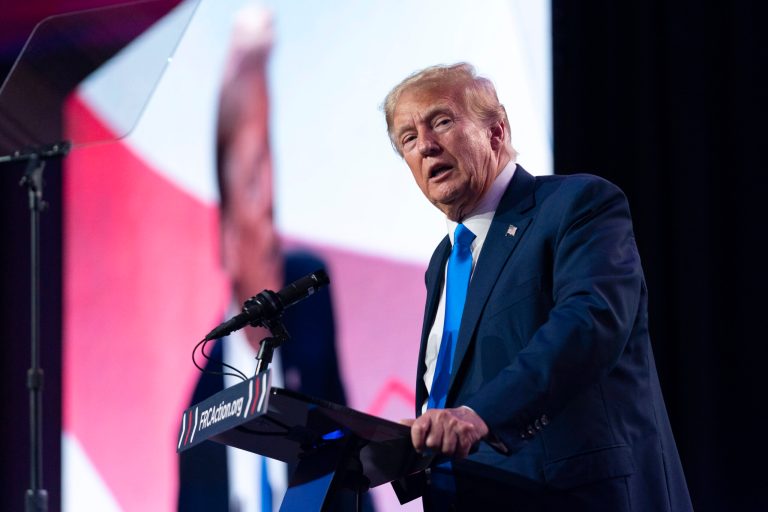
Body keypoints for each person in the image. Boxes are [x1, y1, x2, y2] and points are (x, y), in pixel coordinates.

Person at [384, 63, 693, 511]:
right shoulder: (444, 262)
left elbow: (588, 324)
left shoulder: (576, 205)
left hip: (575, 493)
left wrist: (479, 415)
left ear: (496, 131)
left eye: (442, 122)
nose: (426, 146)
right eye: (408, 139)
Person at [177, 9, 356, 511]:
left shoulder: (310, 321)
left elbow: (350, 477)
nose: (272, 204)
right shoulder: (198, 424)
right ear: (225, 235)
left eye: (273, 168)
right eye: (255, 180)